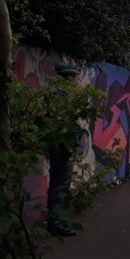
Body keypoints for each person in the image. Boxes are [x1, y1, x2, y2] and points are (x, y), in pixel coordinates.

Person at [47, 64, 80, 237]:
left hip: (62, 147)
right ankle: (55, 223)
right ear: (68, 78)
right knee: (60, 185)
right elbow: (63, 125)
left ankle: (58, 220)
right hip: (61, 148)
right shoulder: (61, 97)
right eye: (75, 77)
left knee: (60, 184)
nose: (77, 81)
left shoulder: (59, 95)